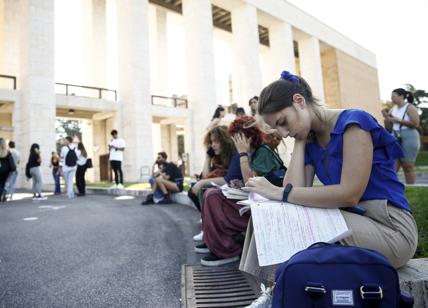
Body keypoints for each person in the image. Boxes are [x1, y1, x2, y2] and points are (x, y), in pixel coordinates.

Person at [240, 71, 417, 300]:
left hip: (390, 228)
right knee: (271, 214)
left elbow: (349, 194)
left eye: (283, 123)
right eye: (278, 129)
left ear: (299, 101)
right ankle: (274, 292)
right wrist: (301, 140)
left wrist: (276, 192)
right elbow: (292, 189)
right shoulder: (310, 140)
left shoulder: (354, 123)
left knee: (288, 219)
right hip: (355, 222)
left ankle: (278, 294)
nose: (284, 133)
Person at [195, 116, 286, 267]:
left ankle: (226, 250)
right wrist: (239, 184)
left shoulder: (262, 151)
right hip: (258, 203)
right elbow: (250, 182)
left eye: (237, 137)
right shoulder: (253, 153)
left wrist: (242, 154)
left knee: (212, 196)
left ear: (247, 137)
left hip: (268, 209)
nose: (234, 141)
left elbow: (252, 182)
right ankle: (215, 243)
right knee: (211, 194)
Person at [189, 126, 237, 241]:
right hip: (222, 188)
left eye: (216, 141)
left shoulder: (234, 155)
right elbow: (205, 175)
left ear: (225, 141)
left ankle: (208, 227)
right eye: (211, 142)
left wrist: (201, 183)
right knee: (194, 190)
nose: (213, 145)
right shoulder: (216, 157)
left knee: (204, 189)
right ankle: (207, 223)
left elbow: (227, 179)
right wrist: (207, 157)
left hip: (232, 190)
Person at [383, 88, 420, 184]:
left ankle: (411, 187)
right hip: (395, 135)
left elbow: (416, 124)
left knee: (408, 165)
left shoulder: (410, 107)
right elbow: (388, 127)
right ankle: (394, 189)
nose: (391, 99)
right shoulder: (393, 109)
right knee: (393, 165)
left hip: (409, 136)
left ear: (401, 96)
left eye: (393, 96)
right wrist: (387, 118)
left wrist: (399, 120)